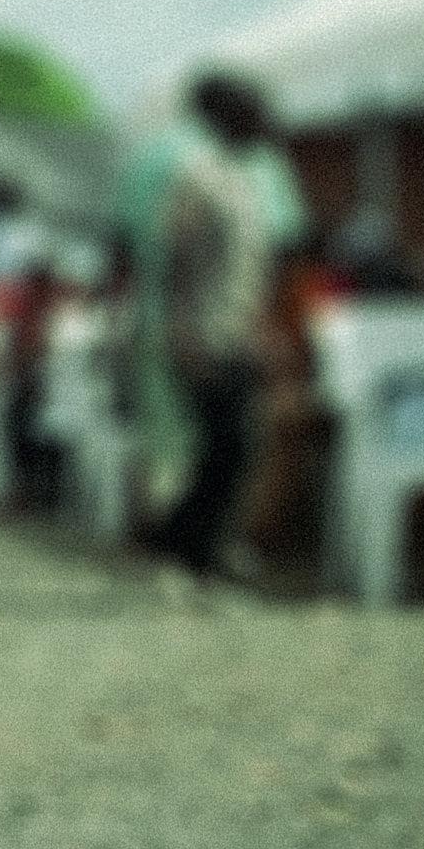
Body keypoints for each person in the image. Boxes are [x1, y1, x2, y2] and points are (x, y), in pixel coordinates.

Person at [151, 71, 293, 587]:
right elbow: (178, 263)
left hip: (237, 333)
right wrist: (183, 335)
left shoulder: (245, 180)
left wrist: (262, 329)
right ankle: (187, 549)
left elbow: (251, 271)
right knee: (226, 446)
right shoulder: (200, 178)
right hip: (205, 334)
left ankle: (191, 549)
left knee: (234, 449)